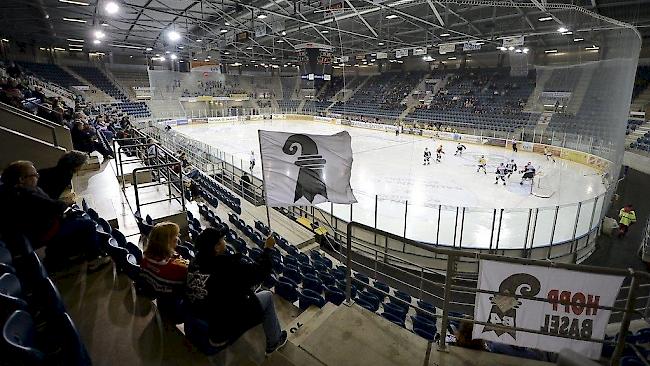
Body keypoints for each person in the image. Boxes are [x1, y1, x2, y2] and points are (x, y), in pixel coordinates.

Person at [184, 226, 288, 355]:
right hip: (221, 328)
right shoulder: (226, 267)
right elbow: (259, 272)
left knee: (249, 292)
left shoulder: (194, 263)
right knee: (267, 295)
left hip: (200, 320)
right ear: (216, 247)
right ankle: (274, 341)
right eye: (222, 239)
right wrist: (267, 249)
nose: (225, 241)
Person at [0, 161, 108, 270]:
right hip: (43, 232)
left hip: (40, 229)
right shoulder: (25, 195)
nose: (38, 177)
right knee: (88, 225)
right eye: (34, 175)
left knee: (75, 218)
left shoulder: (13, 192)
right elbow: (54, 206)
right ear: (21, 180)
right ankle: (94, 258)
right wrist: (64, 209)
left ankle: (62, 255)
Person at [140, 222, 189, 296]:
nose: (178, 237)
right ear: (167, 242)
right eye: (175, 236)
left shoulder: (144, 260)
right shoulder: (179, 269)